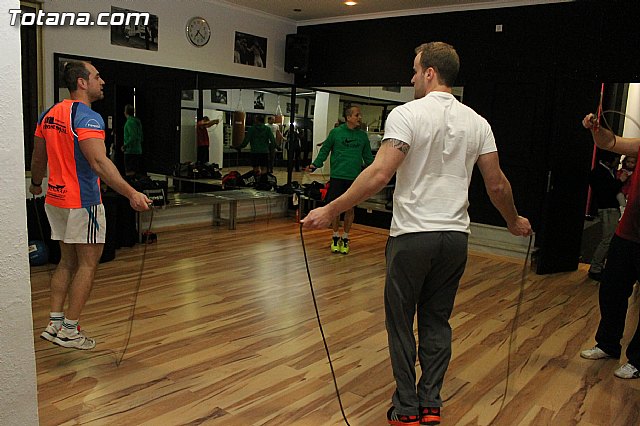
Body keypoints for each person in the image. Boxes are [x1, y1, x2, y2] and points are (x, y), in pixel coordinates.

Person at [302, 42, 532, 425]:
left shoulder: (406, 114)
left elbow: (379, 174)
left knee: (400, 322)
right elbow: (497, 185)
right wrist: (512, 220)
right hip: (455, 239)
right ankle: (430, 406)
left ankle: (406, 409)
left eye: (414, 71)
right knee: (436, 321)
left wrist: (330, 209)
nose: (411, 79)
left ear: (429, 73)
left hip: (412, 237)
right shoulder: (478, 123)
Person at [29, 61, 151, 350]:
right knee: (87, 265)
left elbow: (38, 157)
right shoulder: (88, 117)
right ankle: (70, 330)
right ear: (82, 83)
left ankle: (55, 322)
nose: (102, 81)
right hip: (83, 203)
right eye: (97, 77)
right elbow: (98, 163)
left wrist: (35, 184)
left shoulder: (48, 114)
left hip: (55, 200)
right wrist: (131, 193)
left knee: (66, 261)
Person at [580, 113, 640, 380]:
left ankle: (638, 360)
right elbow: (610, 142)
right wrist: (596, 128)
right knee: (612, 290)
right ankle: (607, 344)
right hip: (626, 234)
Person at [306, 106, 374, 255]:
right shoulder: (336, 133)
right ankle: (335, 236)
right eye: (357, 115)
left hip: (354, 179)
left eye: (360, 115)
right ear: (348, 117)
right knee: (336, 208)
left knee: (350, 209)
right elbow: (324, 150)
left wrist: (379, 170)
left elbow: (368, 157)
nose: (360, 118)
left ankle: (346, 238)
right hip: (337, 177)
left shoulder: (362, 136)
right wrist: (315, 165)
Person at [587, 150, 627, 281]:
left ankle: (599, 266)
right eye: (617, 158)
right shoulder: (598, 173)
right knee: (607, 240)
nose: (618, 161)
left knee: (608, 239)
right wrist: (620, 181)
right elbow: (606, 192)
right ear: (610, 159)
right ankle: (595, 268)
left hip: (609, 209)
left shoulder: (606, 171)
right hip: (607, 209)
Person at [122, 104, 143, 177]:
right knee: (136, 172)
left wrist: (125, 145)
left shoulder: (129, 123)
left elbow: (132, 137)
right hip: (138, 150)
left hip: (130, 151)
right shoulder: (137, 122)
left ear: (126, 112)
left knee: (129, 173)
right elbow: (140, 136)